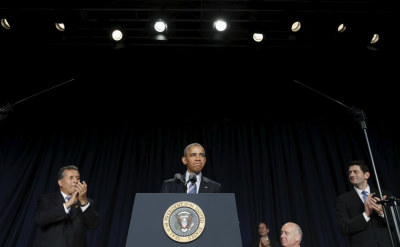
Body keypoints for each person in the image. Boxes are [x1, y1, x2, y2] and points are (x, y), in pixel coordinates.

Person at [34, 165, 99, 247]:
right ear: (60, 182)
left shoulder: (87, 202)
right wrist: (68, 204)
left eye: (78, 178)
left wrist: (83, 201)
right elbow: (40, 220)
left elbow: (93, 224)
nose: (75, 181)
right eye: (71, 178)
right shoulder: (47, 200)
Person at [336, 160, 393, 247]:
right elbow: (344, 228)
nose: (351, 175)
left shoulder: (384, 194)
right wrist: (365, 214)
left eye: (355, 172)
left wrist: (382, 213)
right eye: (350, 172)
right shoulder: (343, 199)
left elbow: (396, 222)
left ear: (367, 175)